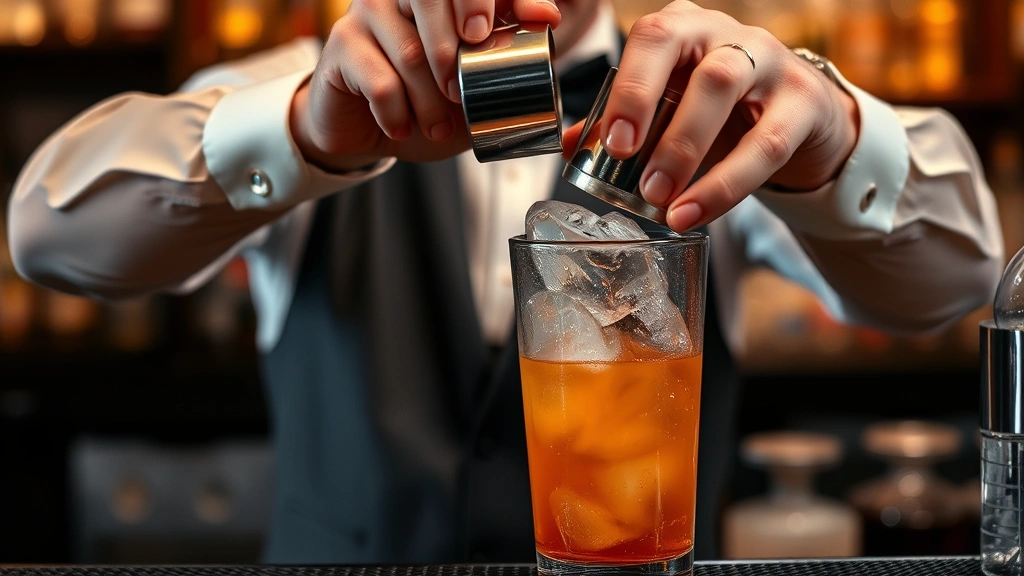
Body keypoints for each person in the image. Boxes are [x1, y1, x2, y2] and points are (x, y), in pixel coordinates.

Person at [6, 0, 1002, 565]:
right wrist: (304, 129)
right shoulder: (313, 81)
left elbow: (955, 279)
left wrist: (831, 138)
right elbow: (46, 231)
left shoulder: (721, 99)